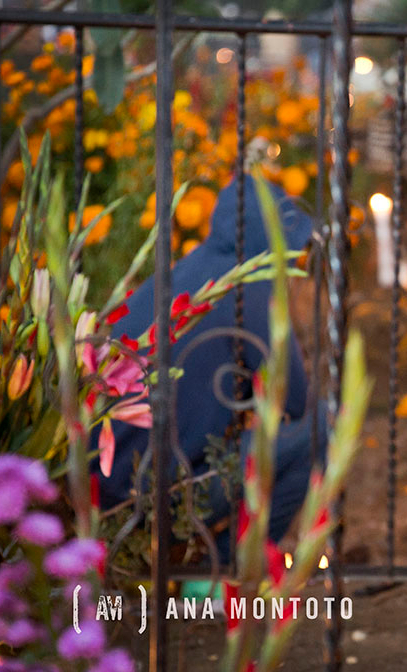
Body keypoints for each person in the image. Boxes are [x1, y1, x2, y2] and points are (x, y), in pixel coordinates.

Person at [89, 175, 328, 563]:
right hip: (160, 497)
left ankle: (206, 563)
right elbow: (296, 402)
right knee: (320, 429)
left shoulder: (186, 269)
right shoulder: (250, 288)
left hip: (104, 490)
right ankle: (226, 569)